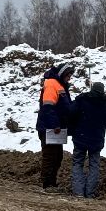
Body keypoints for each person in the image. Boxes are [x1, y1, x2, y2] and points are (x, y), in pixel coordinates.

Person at [69, 80, 106, 198]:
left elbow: (71, 112)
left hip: (80, 137)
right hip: (97, 139)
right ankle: (89, 193)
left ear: (92, 89)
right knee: (94, 165)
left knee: (78, 163)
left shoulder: (82, 99)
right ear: (102, 91)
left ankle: (78, 192)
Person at [35, 63, 75, 191]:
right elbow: (48, 107)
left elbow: (64, 106)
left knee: (57, 156)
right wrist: (55, 125)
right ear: (62, 74)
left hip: (57, 128)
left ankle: (52, 182)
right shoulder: (52, 84)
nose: (69, 78)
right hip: (50, 128)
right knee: (50, 156)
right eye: (68, 75)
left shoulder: (60, 85)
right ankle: (47, 184)